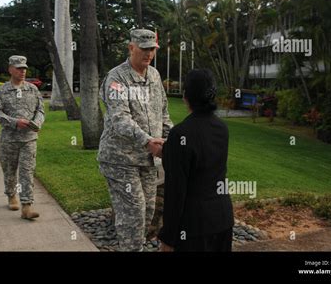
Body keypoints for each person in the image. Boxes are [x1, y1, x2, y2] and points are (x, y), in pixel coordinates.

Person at [98, 29, 173, 251]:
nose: (149, 54)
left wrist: (175, 139)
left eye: (152, 49)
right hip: (120, 159)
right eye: (144, 49)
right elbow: (120, 118)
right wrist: (148, 141)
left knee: (148, 211)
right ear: (131, 48)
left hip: (149, 160)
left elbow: (164, 114)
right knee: (133, 211)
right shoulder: (117, 78)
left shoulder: (155, 76)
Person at [158, 69, 234, 251]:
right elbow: (203, 159)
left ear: (185, 96)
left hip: (194, 229)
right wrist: (169, 151)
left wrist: (168, 238)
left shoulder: (180, 134)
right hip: (223, 220)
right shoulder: (221, 128)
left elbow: (176, 192)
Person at [0, 55, 45, 220]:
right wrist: (14, 122)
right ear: (10, 69)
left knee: (27, 171)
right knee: (9, 170)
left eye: (24, 68)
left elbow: (40, 110)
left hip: (29, 138)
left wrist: (37, 123)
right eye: (19, 68)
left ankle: (27, 206)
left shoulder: (33, 89)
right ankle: (11, 195)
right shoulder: (2, 91)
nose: (23, 71)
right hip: (9, 139)